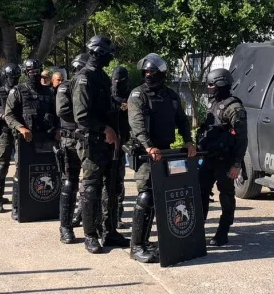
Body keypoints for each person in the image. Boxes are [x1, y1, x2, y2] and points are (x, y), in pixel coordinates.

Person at [128, 53, 196, 263]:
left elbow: (183, 120)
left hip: (165, 152)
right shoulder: (138, 95)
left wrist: (188, 140)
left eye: (152, 72)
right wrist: (149, 146)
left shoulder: (171, 96)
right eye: (145, 72)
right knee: (145, 196)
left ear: (161, 74)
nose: (148, 75)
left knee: (161, 198)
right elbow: (137, 123)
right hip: (146, 153)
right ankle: (136, 245)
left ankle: (148, 241)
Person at [72, 35, 129, 254]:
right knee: (91, 189)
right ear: (99, 53)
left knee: (111, 188)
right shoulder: (85, 78)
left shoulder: (102, 76)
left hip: (108, 144)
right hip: (93, 142)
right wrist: (105, 129)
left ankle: (109, 231)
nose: (109, 59)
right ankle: (90, 235)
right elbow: (82, 116)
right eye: (108, 55)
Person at [4, 59, 59, 221]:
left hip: (46, 138)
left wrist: (58, 129)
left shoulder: (48, 92)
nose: (34, 75)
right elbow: (9, 115)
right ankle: (16, 206)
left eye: (37, 71)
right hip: (25, 140)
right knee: (21, 172)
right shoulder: (18, 91)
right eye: (31, 72)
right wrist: (21, 128)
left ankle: (45, 204)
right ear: (25, 73)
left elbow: (56, 114)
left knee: (46, 170)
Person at [197, 68, 247, 246]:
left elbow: (242, 139)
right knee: (200, 192)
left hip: (225, 161)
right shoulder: (213, 103)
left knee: (226, 195)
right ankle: (197, 229)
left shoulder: (234, 108)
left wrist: (236, 164)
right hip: (208, 158)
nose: (209, 88)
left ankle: (223, 231)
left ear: (221, 84)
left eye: (211, 85)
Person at [55, 53, 89, 243]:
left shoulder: (90, 86)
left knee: (91, 184)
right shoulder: (64, 87)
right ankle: (65, 227)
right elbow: (63, 111)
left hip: (89, 139)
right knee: (70, 183)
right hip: (71, 139)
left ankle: (85, 220)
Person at [0, 63, 21, 213]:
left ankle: (19, 199)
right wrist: (3, 117)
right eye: (11, 77)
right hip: (4, 133)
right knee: (1, 166)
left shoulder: (21, 91)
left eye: (17, 77)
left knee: (21, 166)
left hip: (19, 132)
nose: (14, 80)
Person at [108, 66, 130, 229]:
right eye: (115, 80)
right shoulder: (106, 94)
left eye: (120, 81)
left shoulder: (131, 96)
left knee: (119, 182)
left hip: (121, 144)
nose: (117, 83)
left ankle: (117, 216)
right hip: (106, 143)